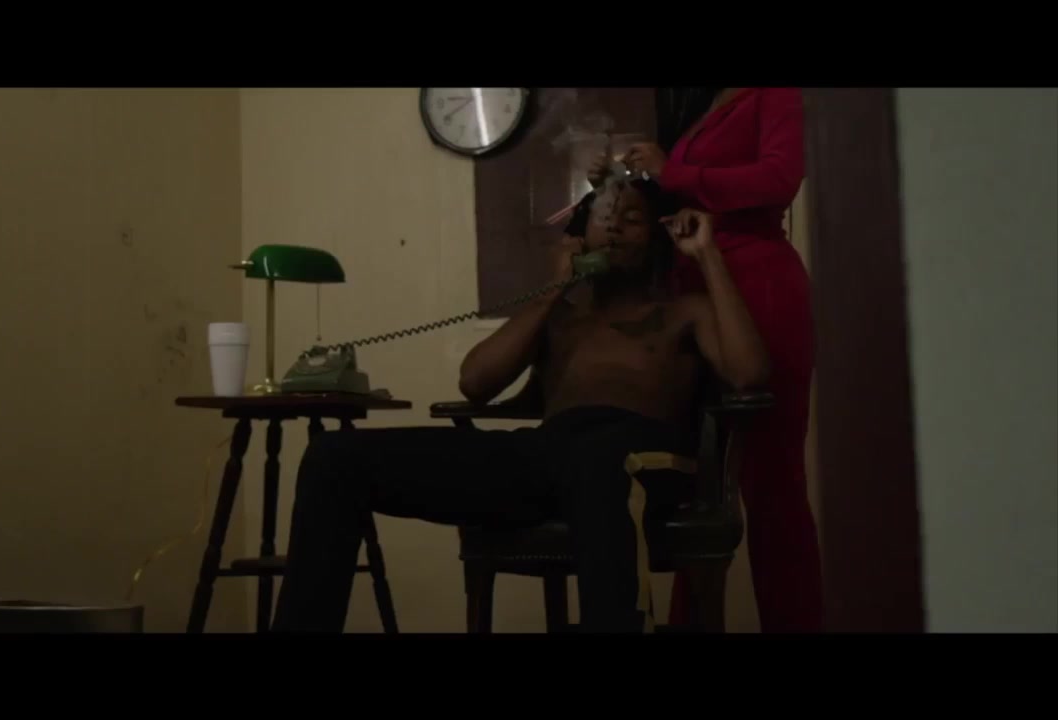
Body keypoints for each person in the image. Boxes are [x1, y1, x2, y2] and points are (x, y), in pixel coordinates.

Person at [270, 178, 770, 632]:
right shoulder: (560, 317)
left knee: (601, 461)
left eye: (632, 218)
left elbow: (748, 373)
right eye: (602, 217)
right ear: (579, 238)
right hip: (549, 454)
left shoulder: (685, 313)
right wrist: (552, 292)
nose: (614, 226)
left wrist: (707, 256)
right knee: (334, 458)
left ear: (659, 237)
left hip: (642, 453)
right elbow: (475, 382)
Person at [590, 87, 822, 633]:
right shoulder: (709, 101)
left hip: (757, 286)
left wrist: (672, 172)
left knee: (772, 482)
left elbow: (778, 179)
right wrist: (620, 182)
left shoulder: (776, 93)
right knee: (699, 481)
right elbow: (685, 196)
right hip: (694, 287)